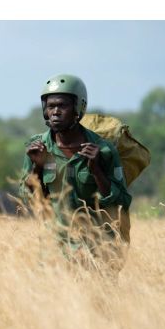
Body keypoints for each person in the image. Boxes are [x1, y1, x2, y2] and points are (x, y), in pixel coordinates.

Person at [20, 73, 132, 270]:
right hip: (54, 249)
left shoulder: (103, 150)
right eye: (50, 106)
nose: (55, 111)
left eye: (62, 106)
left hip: (97, 249)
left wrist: (96, 170)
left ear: (78, 108)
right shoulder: (36, 147)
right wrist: (37, 166)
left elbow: (121, 200)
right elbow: (28, 198)